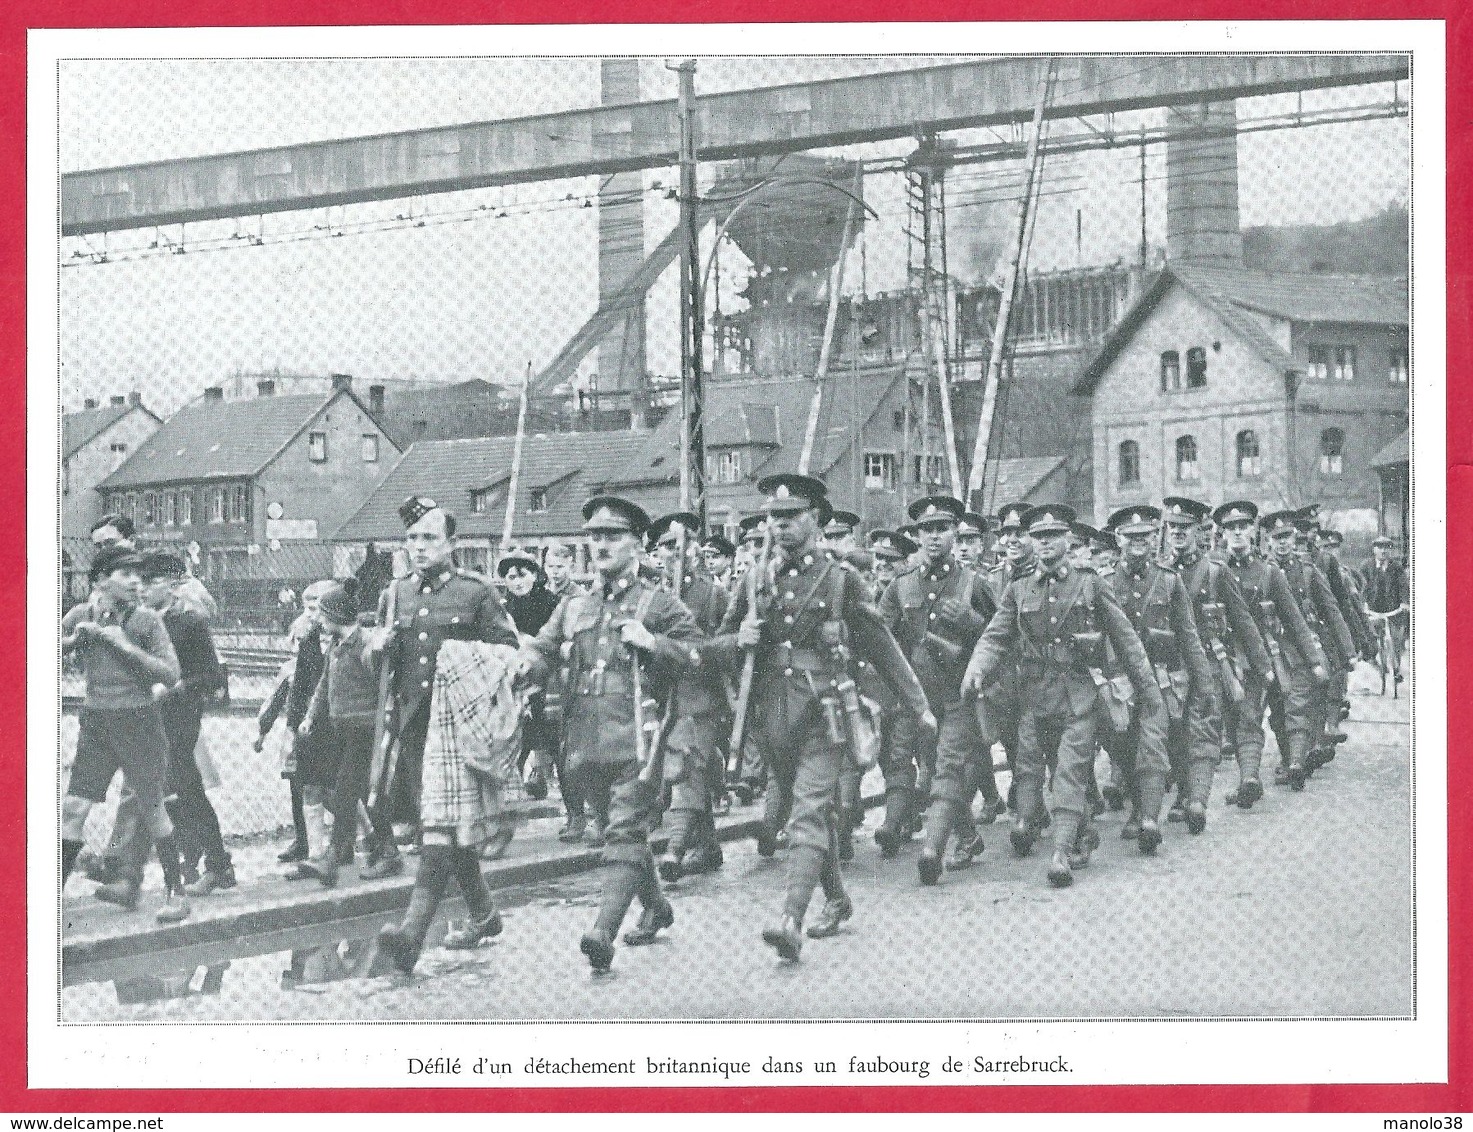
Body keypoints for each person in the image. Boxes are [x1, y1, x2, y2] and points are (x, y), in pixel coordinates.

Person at [708, 474, 933, 958]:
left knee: (807, 814)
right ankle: (836, 897)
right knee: (807, 811)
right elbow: (717, 647)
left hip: (825, 712)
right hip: (772, 716)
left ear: (816, 521)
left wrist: (919, 705)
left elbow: (881, 645)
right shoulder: (753, 581)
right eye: (774, 517)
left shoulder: (840, 580)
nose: (781, 525)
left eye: (792, 517)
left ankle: (791, 918)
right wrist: (739, 639)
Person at [515, 496, 701, 973]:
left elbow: (701, 657)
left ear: (638, 544)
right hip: (584, 741)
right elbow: (544, 648)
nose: (600, 545)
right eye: (594, 536)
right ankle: (656, 907)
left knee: (624, 830)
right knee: (626, 835)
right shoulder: (574, 605)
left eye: (613, 536)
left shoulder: (659, 604)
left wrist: (655, 643)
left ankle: (602, 930)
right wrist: (526, 665)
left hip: (641, 739)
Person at [962, 505, 1164, 889]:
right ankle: (1082, 834)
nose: (1044, 544)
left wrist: (1148, 691)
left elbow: (1126, 640)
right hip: (1037, 696)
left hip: (1079, 693)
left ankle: (1059, 852)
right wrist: (977, 669)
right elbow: (996, 636)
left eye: (1052, 536)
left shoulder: (1090, 583)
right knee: (1056, 767)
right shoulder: (1019, 588)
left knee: (1070, 770)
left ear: (1068, 540)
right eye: (1038, 537)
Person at [363, 497, 520, 879]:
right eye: (413, 538)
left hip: (460, 716)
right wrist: (376, 648)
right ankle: (445, 869)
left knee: (464, 798)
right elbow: (376, 666)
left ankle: (481, 845)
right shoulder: (395, 594)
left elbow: (507, 652)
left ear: (451, 543)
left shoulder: (475, 591)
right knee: (425, 800)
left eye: (430, 538)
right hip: (413, 712)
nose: (419, 546)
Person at [60, 546, 190, 923]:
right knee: (73, 809)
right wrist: (70, 643)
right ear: (100, 580)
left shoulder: (147, 620)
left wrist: (121, 644)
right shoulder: (80, 616)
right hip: (96, 723)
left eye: (139, 574)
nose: (136, 581)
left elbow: (171, 674)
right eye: (125, 573)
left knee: (153, 808)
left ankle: (176, 892)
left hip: (139, 723)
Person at [878, 495, 999, 883]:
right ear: (916, 536)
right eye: (926, 530)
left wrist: (971, 621)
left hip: (959, 695)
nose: (934, 537)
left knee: (947, 768)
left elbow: (1001, 636)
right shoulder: (900, 587)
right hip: (918, 699)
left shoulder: (973, 583)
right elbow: (880, 637)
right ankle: (967, 835)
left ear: (954, 533)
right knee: (932, 769)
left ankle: (932, 849)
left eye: (942, 529)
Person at [1100, 506, 1204, 848]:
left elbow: (1188, 634)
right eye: (1131, 537)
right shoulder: (1103, 582)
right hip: (1119, 682)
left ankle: (1149, 817)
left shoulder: (1169, 580)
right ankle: (1137, 808)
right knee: (1123, 746)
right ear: (1118, 540)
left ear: (1153, 537)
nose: (1138, 543)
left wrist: (1202, 681)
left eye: (1144, 536)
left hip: (1160, 677)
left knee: (1153, 742)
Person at [136, 552, 234, 894]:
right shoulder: (140, 621)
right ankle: (195, 861)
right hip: (149, 714)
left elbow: (210, 676)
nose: (143, 589)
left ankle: (217, 865)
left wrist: (173, 687)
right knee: (171, 791)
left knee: (186, 785)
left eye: (152, 582)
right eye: (140, 582)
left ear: (172, 584)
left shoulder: (188, 622)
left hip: (180, 714)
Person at [1215, 502, 1324, 807]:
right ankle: (1249, 779)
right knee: (1244, 717)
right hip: (1233, 658)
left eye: (1243, 526)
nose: (1237, 532)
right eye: (1230, 528)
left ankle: (1292, 764)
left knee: (1281, 711)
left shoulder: (1268, 573)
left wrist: (1314, 660)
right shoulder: (1213, 571)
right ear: (1222, 534)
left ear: (1254, 531)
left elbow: (1293, 618)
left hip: (1272, 654)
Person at [647, 512, 730, 880]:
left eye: (681, 544)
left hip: (702, 696)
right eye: (665, 546)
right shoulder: (650, 595)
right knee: (690, 769)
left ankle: (675, 848)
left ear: (697, 549)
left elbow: (728, 645)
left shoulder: (714, 595)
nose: (674, 552)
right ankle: (708, 846)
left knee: (688, 766)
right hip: (662, 698)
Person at [297, 582, 389, 888]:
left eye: (324, 616)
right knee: (354, 793)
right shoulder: (336, 647)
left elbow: (381, 681)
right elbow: (324, 685)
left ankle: (333, 859)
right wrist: (310, 716)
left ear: (336, 615)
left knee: (347, 792)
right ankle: (386, 849)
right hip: (342, 729)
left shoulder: (365, 644)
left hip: (364, 729)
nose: (320, 622)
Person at [1260, 512, 1340, 789]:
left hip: (1303, 645)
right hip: (1272, 647)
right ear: (1267, 541)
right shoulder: (1261, 570)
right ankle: (1288, 758)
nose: (1282, 543)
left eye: (1286, 537)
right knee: (1278, 707)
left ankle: (1296, 761)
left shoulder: (1307, 570)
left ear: (1294, 538)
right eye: (1276, 538)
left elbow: (1330, 608)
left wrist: (1346, 650)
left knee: (1300, 702)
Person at [256, 579, 333, 864]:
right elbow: (295, 685)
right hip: (304, 720)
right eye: (306, 608)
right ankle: (304, 841)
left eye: (316, 608)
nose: (310, 614)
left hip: (329, 718)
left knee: (335, 786)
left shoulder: (335, 638)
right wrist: (288, 724)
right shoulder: (308, 638)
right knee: (297, 781)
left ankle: (370, 835)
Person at [498, 549, 561, 825]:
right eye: (511, 577)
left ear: (535, 575)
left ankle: (546, 776)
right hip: (516, 680)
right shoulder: (503, 608)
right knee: (515, 734)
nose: (518, 581)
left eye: (523, 574)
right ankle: (511, 793)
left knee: (551, 736)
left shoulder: (551, 603)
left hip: (548, 678)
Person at [1359, 534, 1409, 682]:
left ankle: (1396, 669)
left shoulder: (1396, 567)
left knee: (1395, 640)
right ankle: (1376, 662)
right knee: (1370, 637)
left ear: (1390, 551)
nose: (1383, 551)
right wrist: (1363, 604)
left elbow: (1403, 586)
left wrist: (1404, 603)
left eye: (1387, 548)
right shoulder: (1366, 566)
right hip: (1373, 609)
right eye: (1380, 548)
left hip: (1393, 610)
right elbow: (1362, 587)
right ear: (1374, 550)